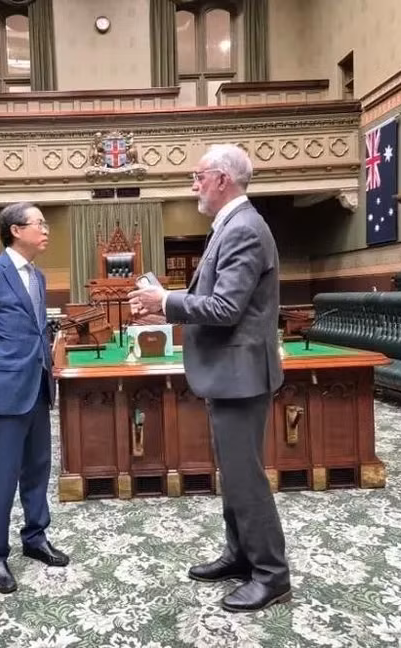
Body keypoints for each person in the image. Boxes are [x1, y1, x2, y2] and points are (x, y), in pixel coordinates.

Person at [127, 144, 291, 613]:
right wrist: (167, 298)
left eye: (198, 176)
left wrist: (165, 302)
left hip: (241, 376)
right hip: (230, 374)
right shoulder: (232, 226)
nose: (193, 184)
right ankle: (241, 555)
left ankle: (271, 574)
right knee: (234, 474)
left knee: (246, 478)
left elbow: (224, 308)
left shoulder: (243, 229)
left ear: (222, 179)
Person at [0, 202, 69, 595]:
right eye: (40, 223)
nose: (46, 229)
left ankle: (35, 537)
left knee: (38, 469)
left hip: (38, 386)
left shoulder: (36, 275)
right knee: (2, 476)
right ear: (16, 230)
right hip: (4, 392)